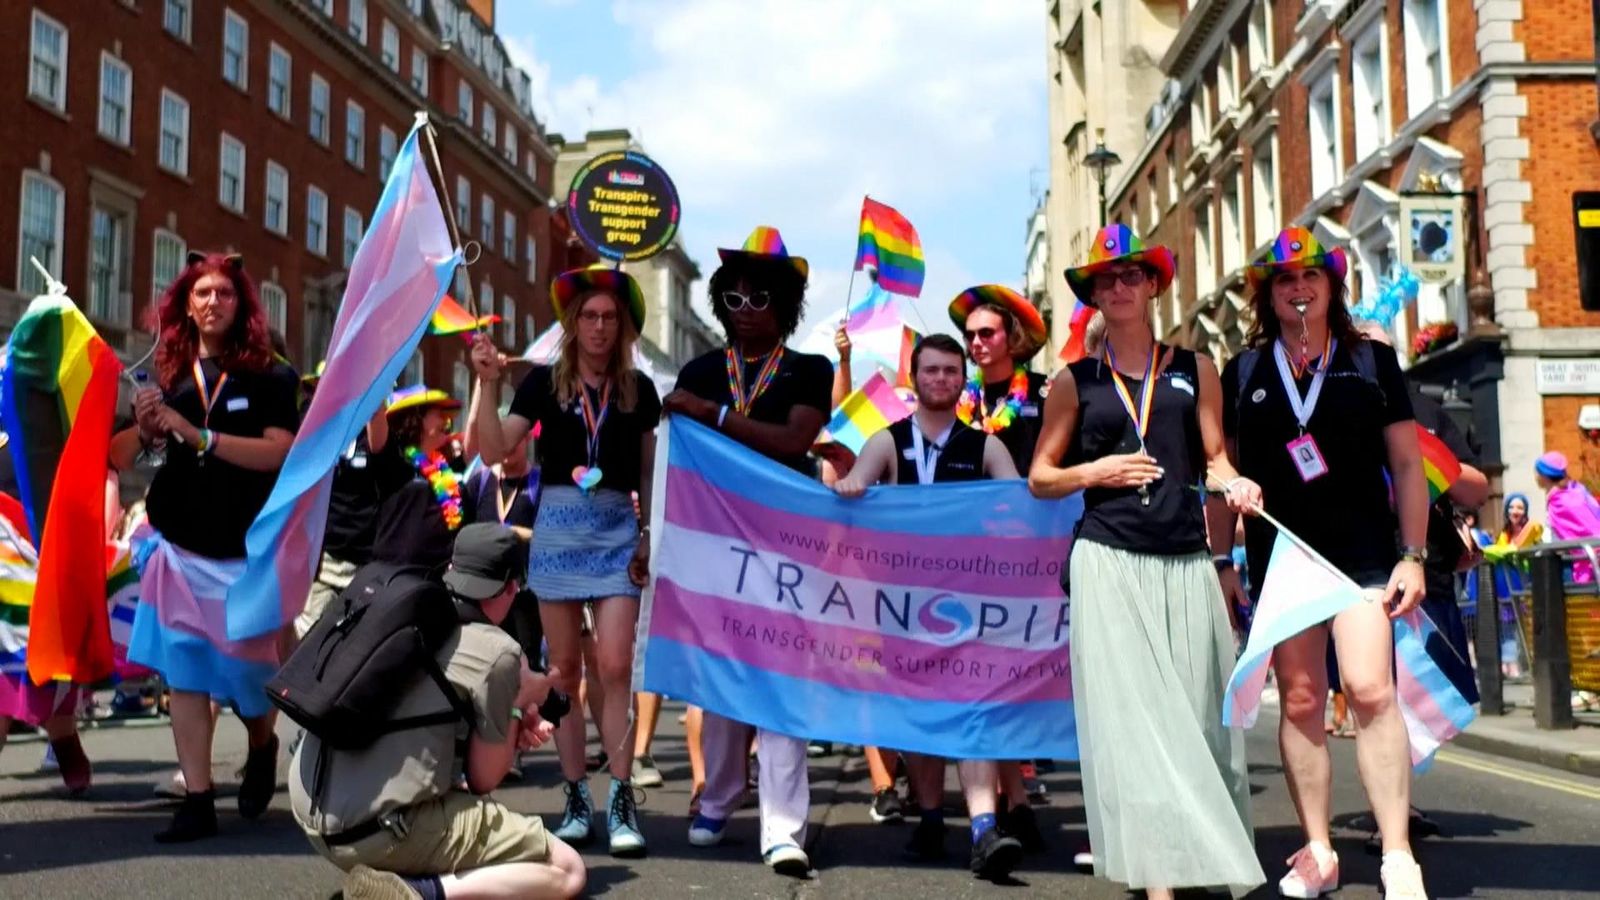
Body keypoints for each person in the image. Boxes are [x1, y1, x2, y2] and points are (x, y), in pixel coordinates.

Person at [1028, 226, 1264, 897]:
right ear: (1095, 295)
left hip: (1185, 557)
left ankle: (1193, 853)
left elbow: (1215, 459)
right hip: (1107, 558)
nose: (1119, 287)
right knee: (1135, 721)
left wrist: (1234, 483)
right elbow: (1041, 477)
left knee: (1191, 715)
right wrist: (1095, 469)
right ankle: (1159, 879)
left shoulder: (1196, 369)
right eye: (1106, 279)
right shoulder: (1074, 383)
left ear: (1153, 284)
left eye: (1131, 275)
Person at [1211, 228, 1431, 899]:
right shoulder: (1244, 372)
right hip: (1280, 559)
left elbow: (1407, 464)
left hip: (1363, 555)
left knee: (1370, 689)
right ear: (1268, 296)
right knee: (1303, 699)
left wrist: (1414, 556)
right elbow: (1219, 473)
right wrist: (1222, 557)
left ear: (1331, 287)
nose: (1298, 288)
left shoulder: (1369, 362)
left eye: (1310, 277)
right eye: (1283, 280)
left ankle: (1397, 854)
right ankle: (1318, 849)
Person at [470, 262, 659, 858]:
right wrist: (487, 385)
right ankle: (577, 795)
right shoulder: (544, 384)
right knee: (565, 672)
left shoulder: (640, 391)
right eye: (589, 317)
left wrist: (650, 531)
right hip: (555, 532)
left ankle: (621, 794)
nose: (600, 327)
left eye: (610, 317)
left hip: (616, 535)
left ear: (622, 327)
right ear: (574, 325)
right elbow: (494, 447)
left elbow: (651, 469)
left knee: (616, 664)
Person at [109, 252, 299, 842]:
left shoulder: (270, 375)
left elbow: (279, 451)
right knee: (185, 676)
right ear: (184, 306)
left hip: (245, 557)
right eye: (201, 294)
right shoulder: (167, 376)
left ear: (241, 304)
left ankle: (262, 743)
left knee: (250, 681)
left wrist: (200, 434)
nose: (212, 302)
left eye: (223, 293)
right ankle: (196, 799)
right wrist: (145, 431)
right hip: (181, 552)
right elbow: (119, 460)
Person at [661, 226, 833, 876]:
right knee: (723, 681)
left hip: (788, 548)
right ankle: (722, 794)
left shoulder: (810, 370)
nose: (745, 307)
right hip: (715, 548)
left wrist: (715, 416)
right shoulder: (700, 368)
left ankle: (783, 827)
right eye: (732, 298)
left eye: (759, 295)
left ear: (785, 304)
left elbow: (795, 441)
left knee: (780, 683)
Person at [291, 523, 586, 900]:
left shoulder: (401, 609)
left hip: (311, 810)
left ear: (452, 568)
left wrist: (507, 713)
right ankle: (419, 893)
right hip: (375, 832)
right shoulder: (497, 652)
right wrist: (514, 705)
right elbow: (483, 779)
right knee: (566, 870)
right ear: (513, 587)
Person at [832, 333, 1026, 880]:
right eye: (931, 370)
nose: (940, 379)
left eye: (950, 371)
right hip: (904, 606)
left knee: (973, 709)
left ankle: (985, 829)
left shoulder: (985, 446)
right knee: (921, 715)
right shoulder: (888, 440)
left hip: (969, 604)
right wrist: (849, 487)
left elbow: (1020, 516)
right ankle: (934, 818)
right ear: (915, 379)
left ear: (961, 379)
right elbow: (857, 482)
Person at [945, 282, 1053, 844]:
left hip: (1033, 559)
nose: (977, 343)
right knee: (990, 677)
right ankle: (1013, 799)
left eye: (986, 333)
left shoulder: (1045, 391)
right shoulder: (959, 404)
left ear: (1012, 337)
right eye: (970, 336)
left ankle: (1017, 794)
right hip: (974, 563)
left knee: (1021, 677)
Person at [369, 386, 464, 577]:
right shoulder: (395, 461)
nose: (447, 421)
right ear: (417, 417)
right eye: (439, 414)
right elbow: (375, 417)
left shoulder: (445, 468)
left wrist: (483, 381)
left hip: (434, 580)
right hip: (394, 578)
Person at [1535, 451, 1600, 584]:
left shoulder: (1561, 501)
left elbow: (1586, 530)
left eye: (1536, 472)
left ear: (1544, 476)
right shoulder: (1574, 492)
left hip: (1576, 564)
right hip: (1576, 559)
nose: (1535, 476)